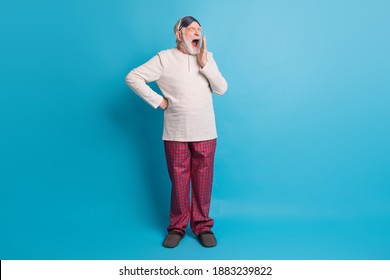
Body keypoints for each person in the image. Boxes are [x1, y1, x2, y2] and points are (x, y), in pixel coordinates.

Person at [125, 16, 228, 248]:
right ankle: (177, 227)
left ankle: (202, 226)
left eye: (199, 29)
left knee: (203, 181)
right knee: (179, 182)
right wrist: (158, 100)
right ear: (179, 33)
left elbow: (222, 88)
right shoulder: (164, 58)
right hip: (175, 133)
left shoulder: (207, 58)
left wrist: (205, 64)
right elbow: (133, 77)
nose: (197, 32)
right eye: (191, 28)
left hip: (205, 132)